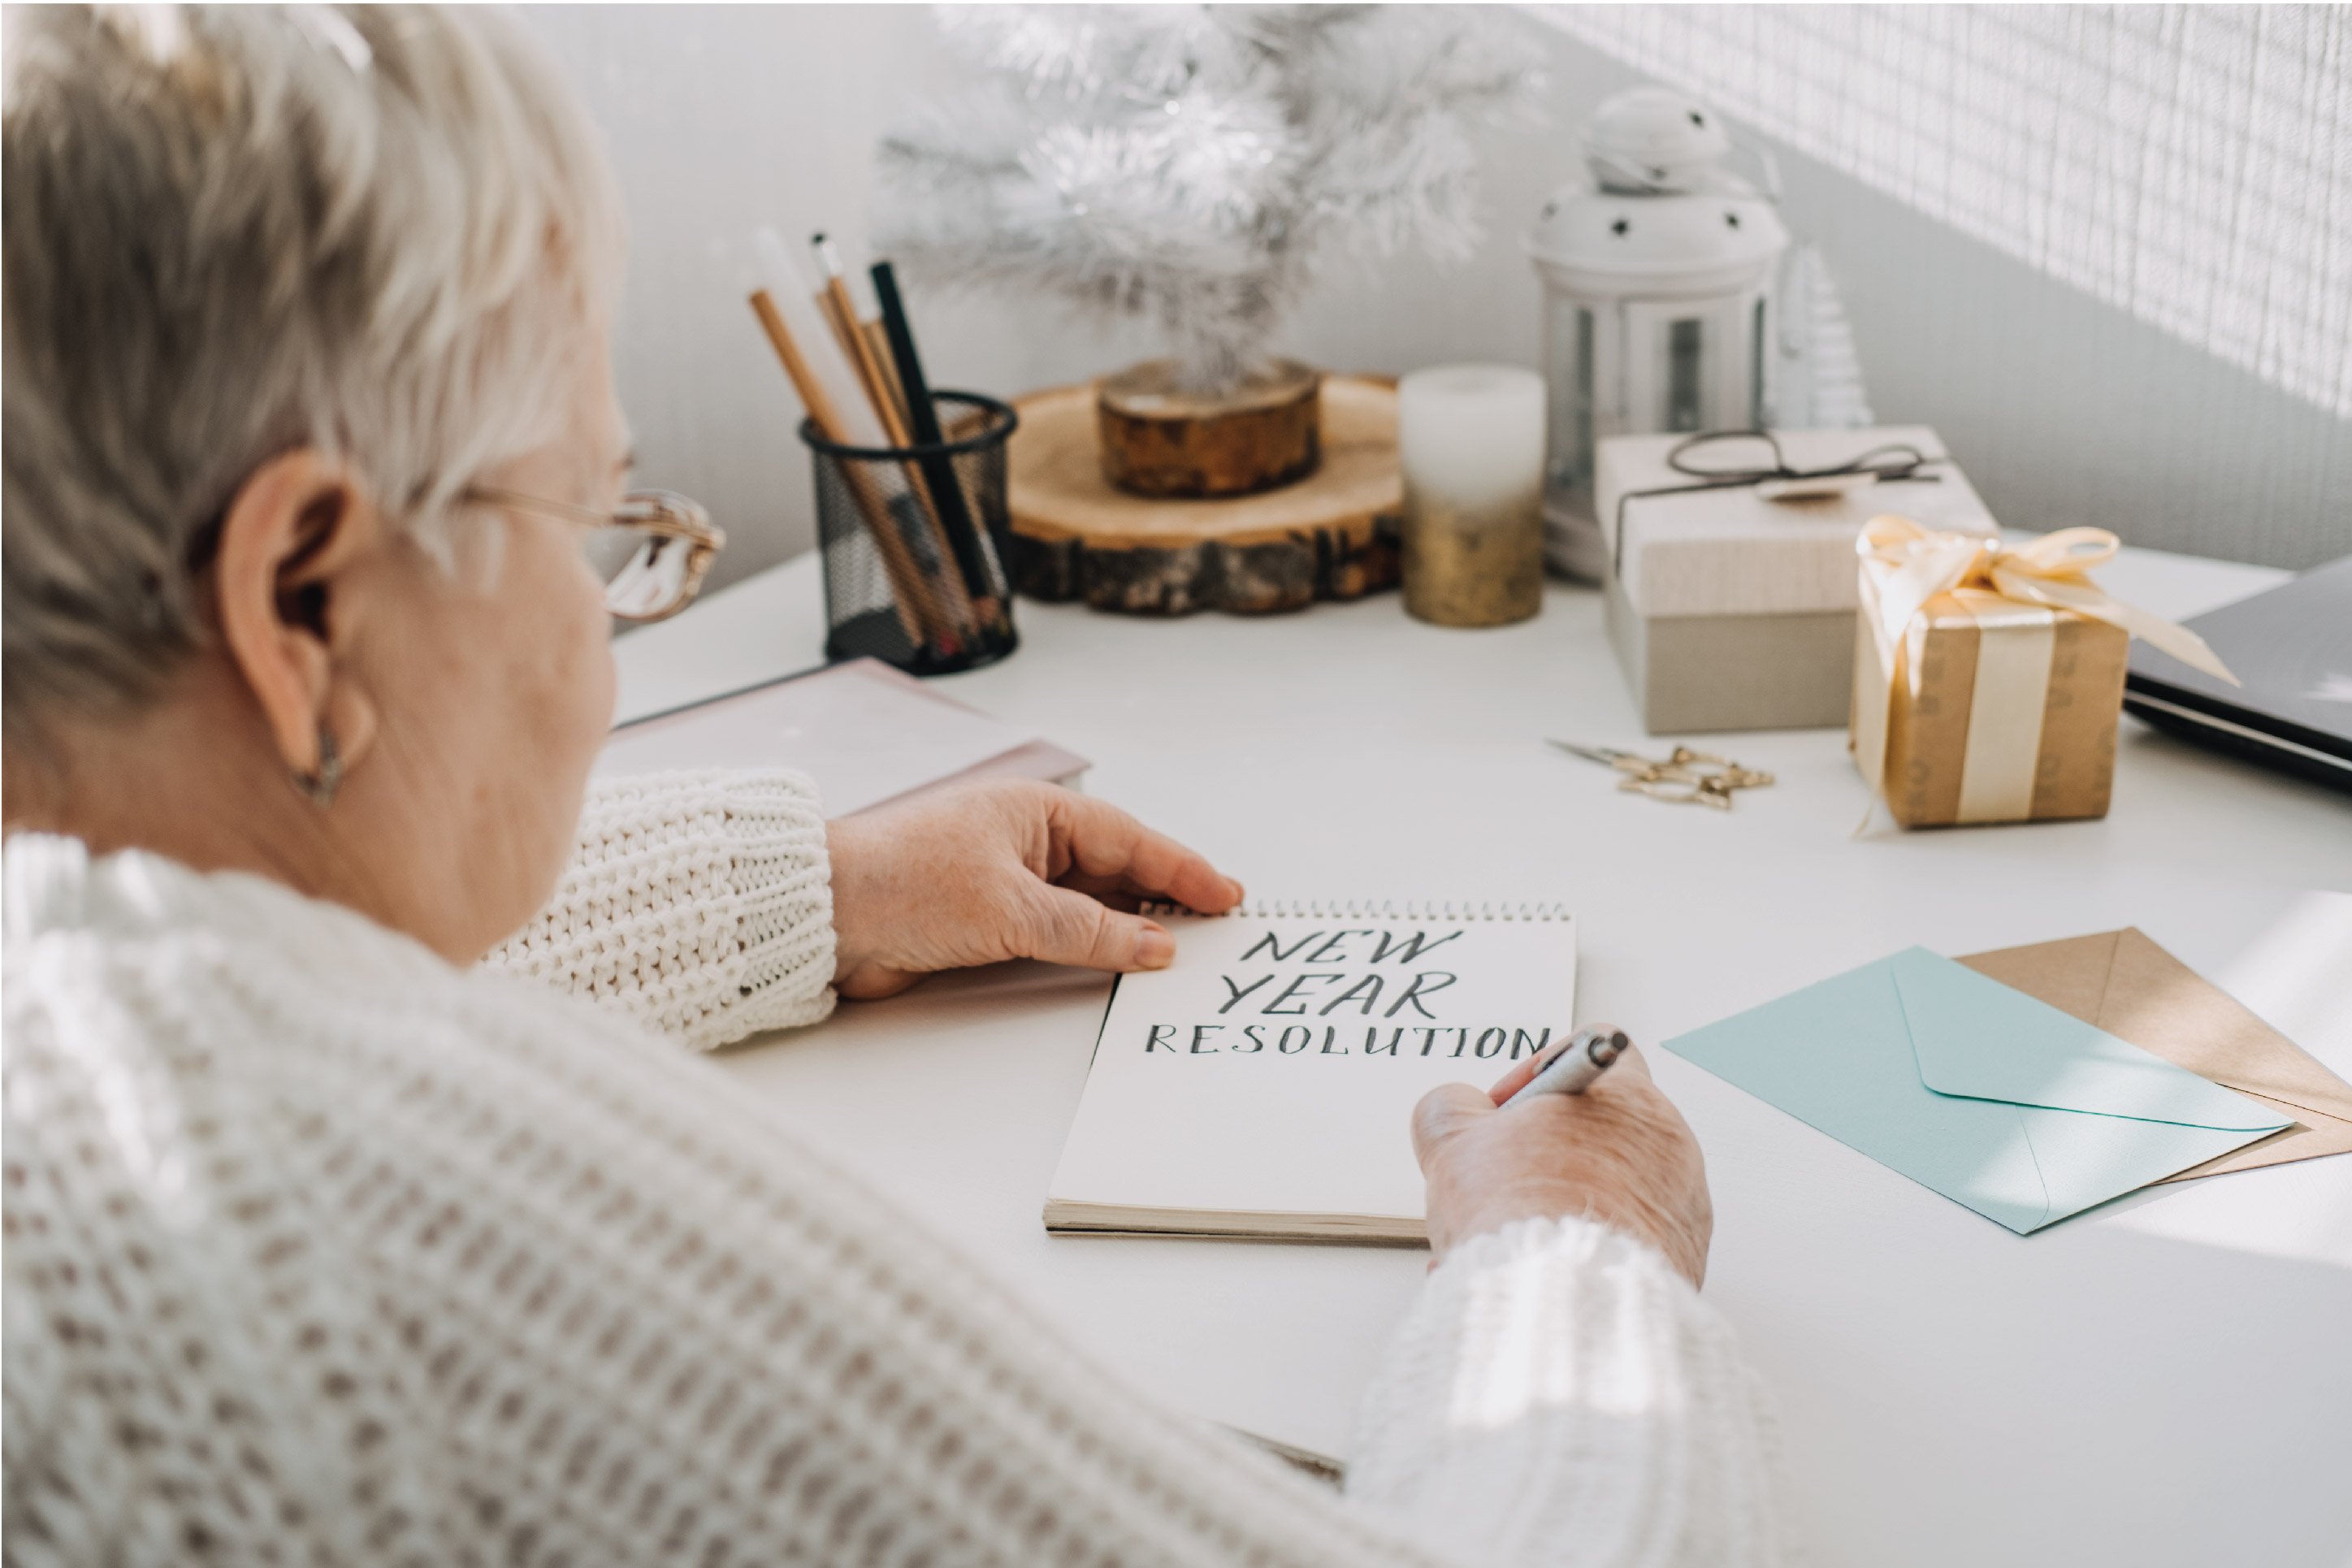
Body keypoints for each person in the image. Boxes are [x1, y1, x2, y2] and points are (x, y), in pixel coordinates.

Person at [0, 8, 1791, 1565]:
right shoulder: (374, 1239)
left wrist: (823, 892)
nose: (611, 623)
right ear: (302, 595)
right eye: (597, 529)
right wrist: (1577, 1255)